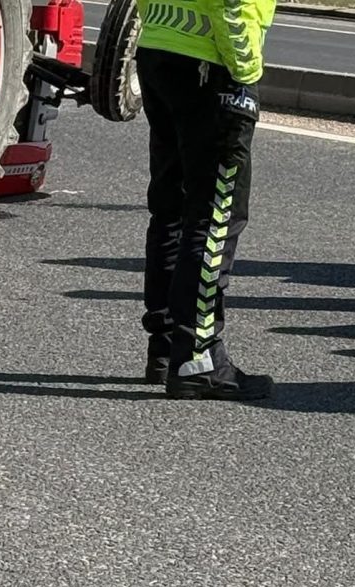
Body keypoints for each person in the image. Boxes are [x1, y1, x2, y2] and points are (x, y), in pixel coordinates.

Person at [134, 0, 277, 400]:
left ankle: (165, 346)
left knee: (172, 209)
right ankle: (198, 356)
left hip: (161, 47)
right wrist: (246, 73)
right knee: (215, 215)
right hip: (210, 61)